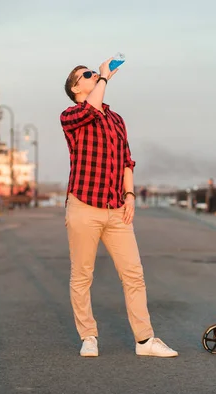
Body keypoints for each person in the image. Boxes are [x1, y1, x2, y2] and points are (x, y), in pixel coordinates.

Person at [60, 58, 178, 358]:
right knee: (82, 275)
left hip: (116, 208)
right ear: (77, 88)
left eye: (93, 73)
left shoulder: (116, 119)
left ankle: (144, 340)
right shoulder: (71, 116)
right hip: (84, 205)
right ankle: (88, 336)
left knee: (133, 274)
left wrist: (129, 195)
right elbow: (91, 108)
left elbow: (127, 160)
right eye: (86, 75)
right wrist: (104, 77)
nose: (93, 76)